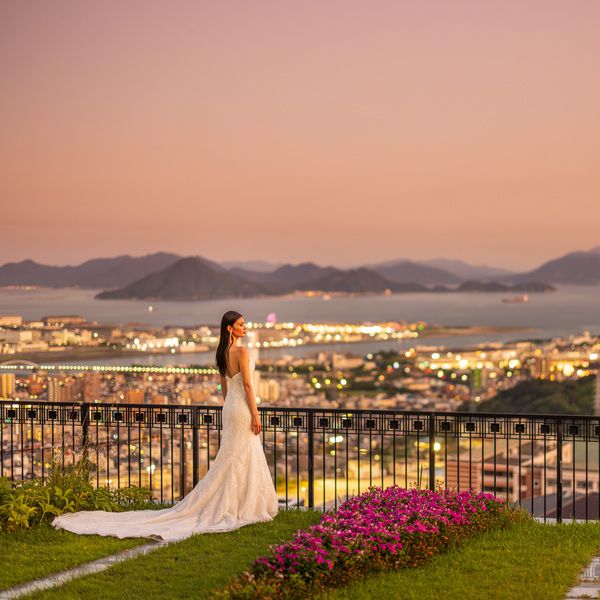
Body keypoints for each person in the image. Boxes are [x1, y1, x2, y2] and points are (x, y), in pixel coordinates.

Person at [52, 310, 278, 540]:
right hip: (241, 408)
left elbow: (224, 386)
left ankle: (233, 502)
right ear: (230, 328)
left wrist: (229, 404)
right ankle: (244, 504)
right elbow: (248, 386)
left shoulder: (222, 352)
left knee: (230, 456)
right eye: (241, 324)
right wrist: (255, 414)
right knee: (241, 454)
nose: (245, 326)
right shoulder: (241, 351)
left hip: (229, 408)